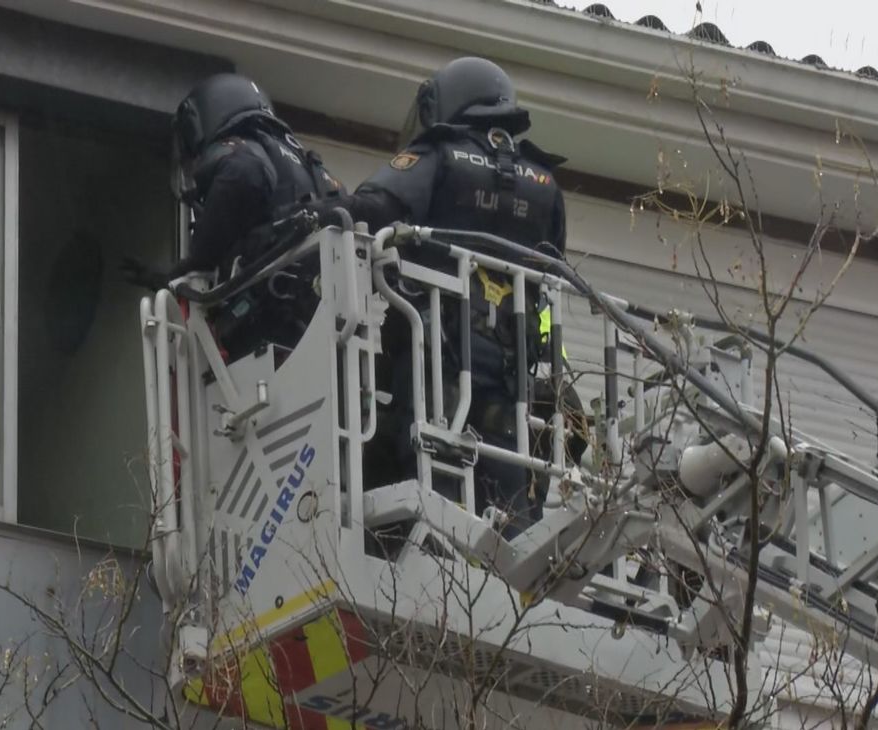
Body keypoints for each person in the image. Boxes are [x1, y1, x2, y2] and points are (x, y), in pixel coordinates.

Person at [315, 57, 570, 537]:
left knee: (418, 495)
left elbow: (374, 208)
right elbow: (547, 274)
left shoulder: (440, 156)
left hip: (438, 360)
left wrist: (321, 208)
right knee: (512, 518)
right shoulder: (545, 185)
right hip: (511, 383)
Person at [124, 73, 344, 358]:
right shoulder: (311, 168)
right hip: (314, 327)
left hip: (262, 323)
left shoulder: (240, 147)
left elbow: (243, 176)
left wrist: (193, 264)